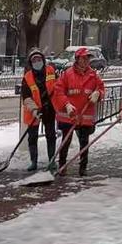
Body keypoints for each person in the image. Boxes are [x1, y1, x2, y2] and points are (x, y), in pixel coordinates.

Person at [53, 47, 105, 176]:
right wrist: (67, 104)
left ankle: (83, 167)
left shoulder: (93, 75)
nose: (86, 61)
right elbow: (58, 91)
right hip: (68, 115)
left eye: (88, 58)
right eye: (84, 58)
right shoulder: (67, 74)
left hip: (85, 116)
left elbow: (101, 88)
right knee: (65, 141)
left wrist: (98, 93)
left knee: (84, 143)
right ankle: (62, 166)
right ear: (77, 59)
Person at [21, 49, 57, 171]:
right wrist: (34, 110)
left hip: (49, 108)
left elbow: (58, 87)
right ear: (31, 63)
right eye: (34, 60)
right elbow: (26, 97)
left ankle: (52, 160)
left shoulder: (51, 71)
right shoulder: (27, 77)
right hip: (34, 112)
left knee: (51, 135)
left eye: (39, 59)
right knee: (32, 137)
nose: (37, 62)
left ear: (43, 60)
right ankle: (33, 162)